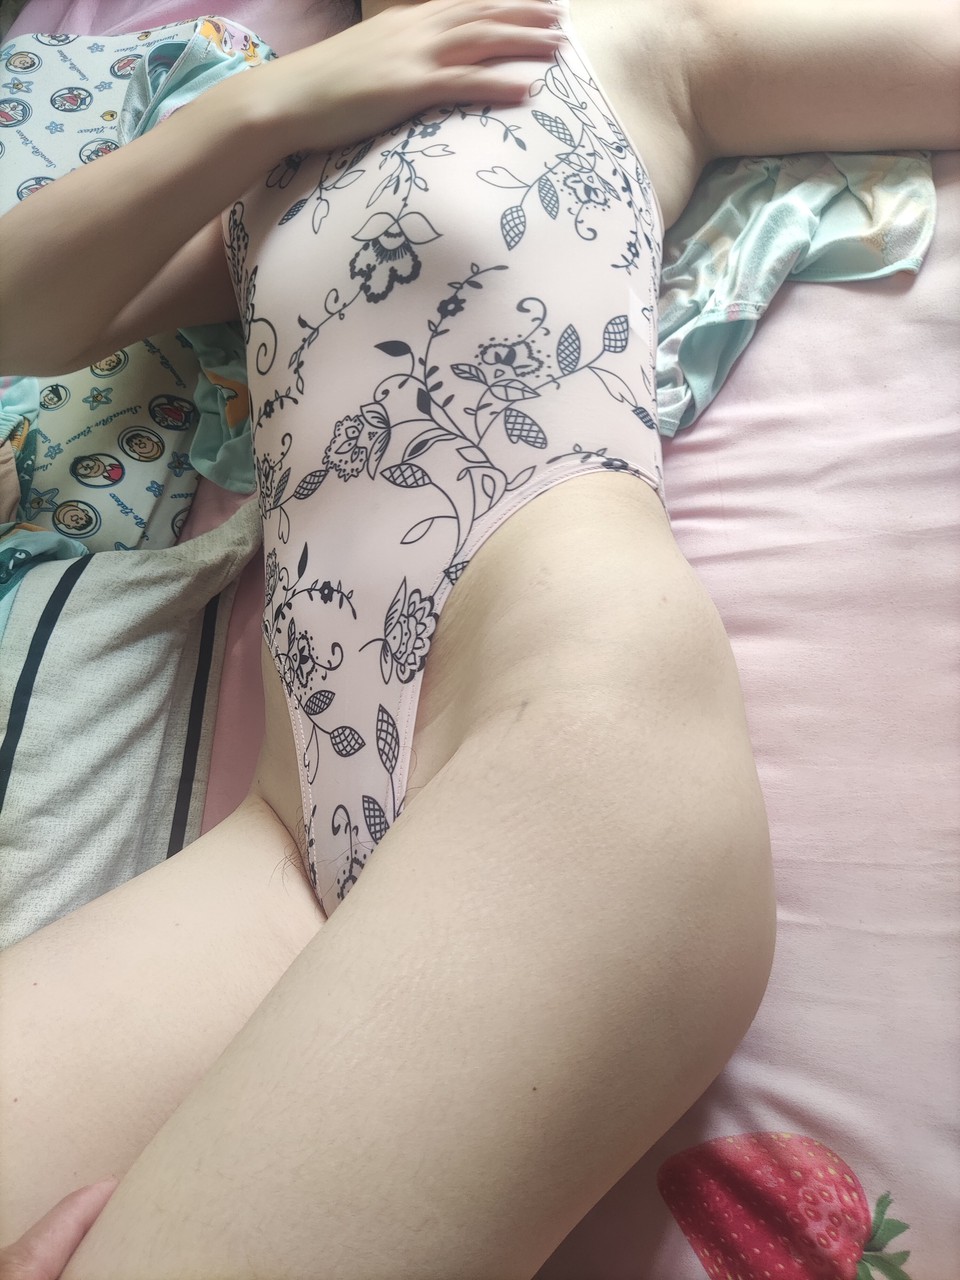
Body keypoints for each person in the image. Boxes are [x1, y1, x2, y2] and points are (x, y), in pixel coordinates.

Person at [0, 0, 955, 1275]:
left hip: (560, 739)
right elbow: (24, 317)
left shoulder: (635, 37)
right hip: (284, 854)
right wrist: (269, 105)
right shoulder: (264, 175)